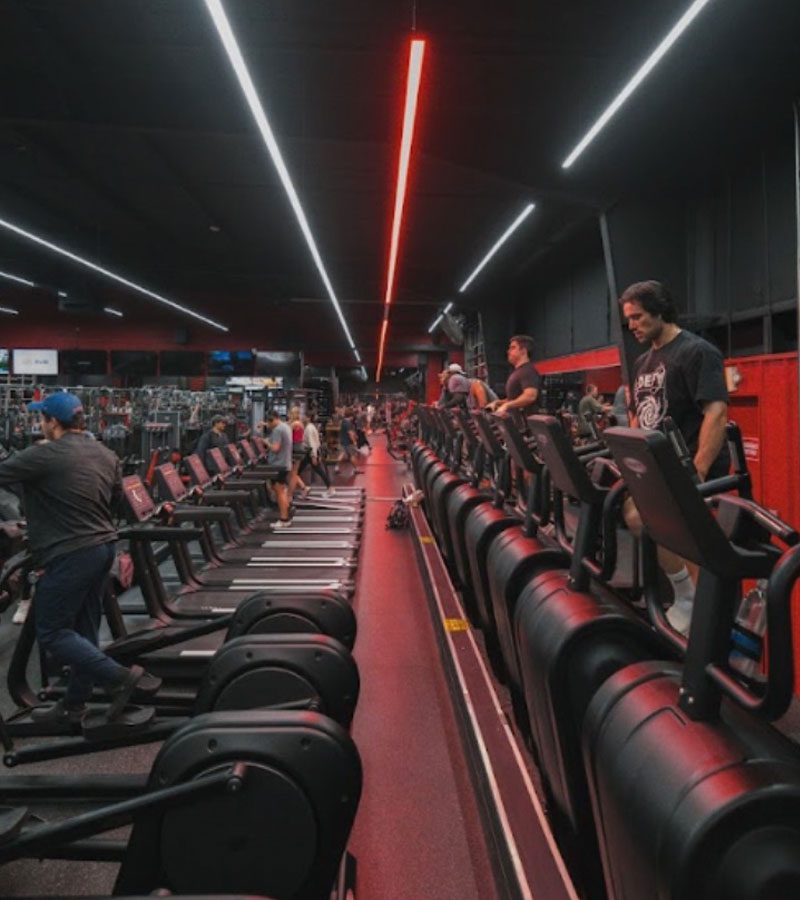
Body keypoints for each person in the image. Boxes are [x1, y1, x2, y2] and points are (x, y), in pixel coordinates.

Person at [0, 392, 160, 724]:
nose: (39, 424)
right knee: (85, 631)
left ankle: (120, 677)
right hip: (103, 550)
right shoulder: (105, 453)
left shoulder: (43, 455)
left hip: (70, 554)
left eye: (41, 418)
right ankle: (75, 704)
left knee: (53, 632)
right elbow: (116, 502)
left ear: (53, 422)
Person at [620, 279, 729, 635]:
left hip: (691, 466)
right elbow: (639, 416)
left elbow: (716, 414)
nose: (632, 325)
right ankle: (686, 596)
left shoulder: (698, 352)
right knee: (634, 516)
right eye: (629, 320)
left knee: (666, 525)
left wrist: (696, 470)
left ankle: (698, 609)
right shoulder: (642, 362)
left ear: (660, 311)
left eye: (637, 317)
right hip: (658, 466)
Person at [487, 335, 541, 417]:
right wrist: (498, 403)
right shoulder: (518, 372)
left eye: (513, 348)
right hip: (516, 424)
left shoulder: (528, 371)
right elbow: (514, 399)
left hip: (525, 426)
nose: (508, 351)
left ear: (523, 351)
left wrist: (507, 405)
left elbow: (530, 396)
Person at [264, 409, 293, 528]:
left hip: (278, 465)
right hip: (284, 463)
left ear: (272, 420)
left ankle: (284, 519)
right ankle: (286, 515)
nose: (269, 426)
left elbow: (275, 448)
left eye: (269, 423)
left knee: (279, 491)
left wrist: (266, 442)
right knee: (281, 490)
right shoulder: (285, 426)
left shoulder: (277, 430)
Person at [299, 412, 335, 497]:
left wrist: (314, 456)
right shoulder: (309, 427)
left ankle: (330, 488)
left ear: (308, 418)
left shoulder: (309, 428)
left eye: (303, 416)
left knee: (297, 472)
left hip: (310, 453)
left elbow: (312, 443)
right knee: (298, 472)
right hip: (310, 453)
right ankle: (329, 488)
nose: (302, 418)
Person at [287, 407, 308, 500]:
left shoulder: (295, 424)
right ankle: (304, 487)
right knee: (292, 472)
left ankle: (289, 495)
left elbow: (288, 434)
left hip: (295, 449)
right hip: (299, 447)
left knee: (293, 473)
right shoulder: (300, 423)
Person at [338, 407, 363, 475]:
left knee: (342, 455)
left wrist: (355, 435)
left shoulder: (343, 421)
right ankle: (356, 469)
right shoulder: (348, 423)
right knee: (352, 456)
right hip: (348, 442)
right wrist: (354, 442)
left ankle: (336, 467)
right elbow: (350, 433)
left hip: (342, 441)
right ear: (351, 416)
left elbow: (350, 431)